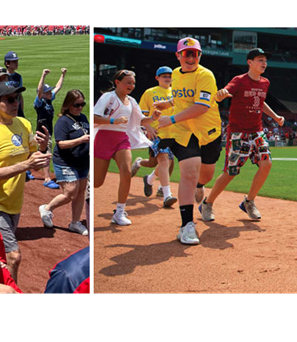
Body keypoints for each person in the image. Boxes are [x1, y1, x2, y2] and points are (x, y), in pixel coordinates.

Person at [0, 82, 50, 283]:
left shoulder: (23, 124)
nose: (16, 103)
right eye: (11, 99)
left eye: (18, 98)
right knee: (13, 256)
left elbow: (35, 165)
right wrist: (27, 164)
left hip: (15, 202)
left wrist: (42, 149)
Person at [200, 48, 286, 221]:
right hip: (238, 132)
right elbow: (221, 94)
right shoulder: (239, 81)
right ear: (250, 62)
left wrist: (275, 117)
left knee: (266, 163)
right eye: (260, 60)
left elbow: (260, 103)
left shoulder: (265, 82)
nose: (264, 63)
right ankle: (207, 203)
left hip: (257, 130)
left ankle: (249, 201)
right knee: (231, 172)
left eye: (265, 61)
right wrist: (220, 94)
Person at [155, 37, 226, 245]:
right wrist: (168, 104)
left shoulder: (205, 75)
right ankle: (187, 225)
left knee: (206, 174)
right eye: (186, 53)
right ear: (178, 56)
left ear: (200, 56)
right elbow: (180, 99)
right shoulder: (176, 74)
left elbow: (202, 107)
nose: (191, 58)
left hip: (208, 131)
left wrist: (171, 118)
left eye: (195, 54)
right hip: (184, 131)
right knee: (188, 172)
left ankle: (200, 186)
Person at [93, 70, 156, 226]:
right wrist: (114, 120)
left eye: (133, 83)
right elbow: (94, 116)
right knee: (96, 182)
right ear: (117, 82)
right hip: (104, 138)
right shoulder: (108, 97)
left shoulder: (132, 101)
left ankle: (120, 211)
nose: (131, 85)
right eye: (128, 82)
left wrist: (153, 118)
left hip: (122, 139)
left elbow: (141, 119)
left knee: (127, 172)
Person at [39, 89, 90, 235]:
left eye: (82, 104)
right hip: (65, 161)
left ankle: (75, 222)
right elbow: (61, 143)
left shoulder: (84, 118)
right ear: (68, 104)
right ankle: (47, 209)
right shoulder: (63, 121)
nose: (79, 107)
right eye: (76, 104)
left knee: (81, 193)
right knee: (70, 193)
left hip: (82, 161)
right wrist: (81, 140)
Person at [133, 66, 177, 207]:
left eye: (169, 75)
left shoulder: (176, 93)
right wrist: (148, 127)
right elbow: (142, 114)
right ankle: (167, 195)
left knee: (160, 163)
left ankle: (149, 178)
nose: (167, 78)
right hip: (156, 133)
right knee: (164, 160)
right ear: (157, 78)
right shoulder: (150, 92)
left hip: (174, 134)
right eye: (163, 75)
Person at [34, 68, 67, 189]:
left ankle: (28, 168)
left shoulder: (49, 100)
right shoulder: (39, 102)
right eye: (47, 92)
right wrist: (43, 76)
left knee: (40, 152)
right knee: (47, 154)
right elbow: (40, 90)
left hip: (48, 131)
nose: (50, 93)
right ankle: (47, 179)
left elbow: (57, 88)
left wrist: (63, 75)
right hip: (42, 132)